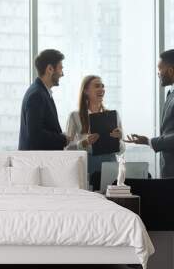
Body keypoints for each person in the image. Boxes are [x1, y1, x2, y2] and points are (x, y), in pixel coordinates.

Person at [65, 75, 125, 190]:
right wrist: (84, 142)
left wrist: (118, 140)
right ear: (86, 91)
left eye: (103, 86)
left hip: (110, 166)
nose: (102, 89)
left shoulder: (113, 115)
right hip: (87, 167)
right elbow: (67, 149)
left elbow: (122, 150)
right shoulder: (75, 116)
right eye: (97, 86)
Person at [125, 49, 174, 178]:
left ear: (171, 71)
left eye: (160, 69)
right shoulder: (170, 94)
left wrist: (150, 141)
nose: (158, 74)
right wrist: (147, 141)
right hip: (168, 169)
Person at [18, 49, 70, 150]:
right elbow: (36, 135)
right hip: (37, 162)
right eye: (60, 68)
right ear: (50, 69)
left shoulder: (41, 92)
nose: (62, 74)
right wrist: (63, 139)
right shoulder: (37, 95)